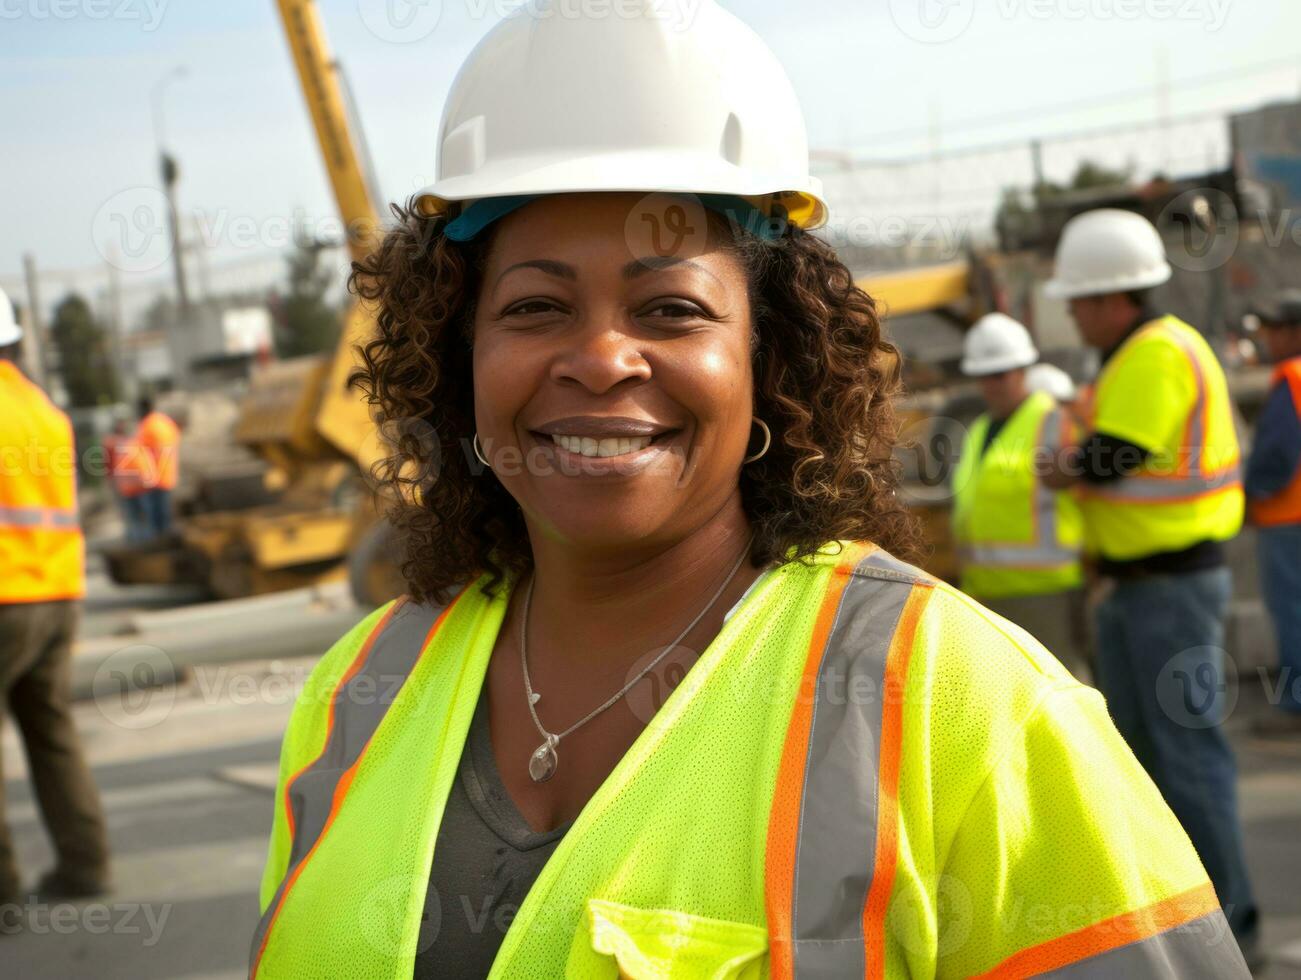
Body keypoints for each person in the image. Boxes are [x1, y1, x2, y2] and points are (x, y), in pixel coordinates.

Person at [251, 8, 1249, 977]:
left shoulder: (970, 706)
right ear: (458, 354)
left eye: (670, 307)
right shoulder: (352, 694)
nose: (601, 357)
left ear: (767, 354)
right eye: (535, 305)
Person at [1041, 208, 1259, 957]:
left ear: (1111, 298)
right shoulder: (1137, 354)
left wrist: (1062, 467)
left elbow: (1111, 457)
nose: (1070, 312)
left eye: (1077, 300)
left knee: (1186, 758)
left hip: (1169, 588)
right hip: (1140, 587)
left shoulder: (1155, 353)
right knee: (1144, 757)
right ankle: (1183, 929)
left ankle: (1230, 930)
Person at [0, 285, 111, 908]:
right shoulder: (42, 408)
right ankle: (85, 866)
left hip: (5, 592)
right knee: (50, 728)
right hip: (55, 592)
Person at [951, 314, 1090, 680]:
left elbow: (1088, 497)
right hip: (985, 594)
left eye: (1001, 374)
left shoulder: (1052, 422)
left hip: (1045, 594)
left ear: (1023, 370)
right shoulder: (979, 429)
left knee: (1053, 697)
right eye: (984, 375)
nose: (992, 384)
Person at [1245, 290, 1301, 731]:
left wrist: (1252, 494)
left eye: (1275, 328)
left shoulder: (1292, 377)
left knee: (1293, 612)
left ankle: (1295, 707)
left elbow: (1277, 456)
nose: (1267, 337)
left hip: (1287, 517)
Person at [133, 395, 180, 539]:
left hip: (153, 477)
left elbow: (139, 452)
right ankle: (167, 536)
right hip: (167, 473)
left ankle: (161, 540)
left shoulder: (147, 426)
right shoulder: (165, 422)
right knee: (164, 510)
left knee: (156, 513)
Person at [102, 415, 147, 543]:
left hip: (132, 483)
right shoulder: (112, 442)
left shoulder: (127, 441)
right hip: (120, 482)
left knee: (136, 510)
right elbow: (107, 463)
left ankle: (137, 535)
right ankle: (134, 535)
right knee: (129, 511)